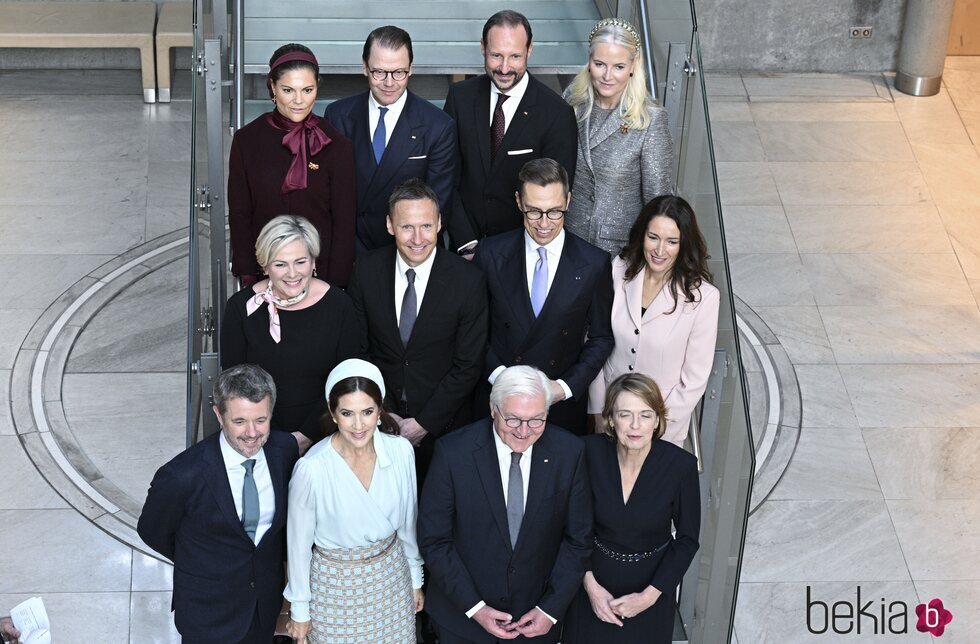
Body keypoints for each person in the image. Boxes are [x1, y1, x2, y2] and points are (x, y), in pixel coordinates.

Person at [418, 365, 593, 643]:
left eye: (537, 420)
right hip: (463, 620)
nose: (524, 431)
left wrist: (549, 609)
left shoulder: (569, 452)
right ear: (492, 408)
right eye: (513, 419)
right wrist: (475, 608)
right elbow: (434, 540)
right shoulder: (453, 453)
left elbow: (579, 540)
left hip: (535, 621)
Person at [137, 364, 300, 643]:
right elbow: (152, 531)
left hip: (264, 609)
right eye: (239, 422)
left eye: (261, 420)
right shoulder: (181, 476)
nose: (252, 433)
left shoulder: (284, 450)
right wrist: (203, 560)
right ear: (219, 415)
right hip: (207, 615)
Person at [346, 178, 488, 485]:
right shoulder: (365, 271)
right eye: (406, 227)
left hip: (446, 430)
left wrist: (424, 423)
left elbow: (468, 364)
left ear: (439, 223)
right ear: (389, 225)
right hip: (377, 425)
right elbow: (358, 351)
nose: (417, 238)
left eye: (425, 226)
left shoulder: (468, 280)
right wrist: (384, 413)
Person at [284, 359, 423, 644]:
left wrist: (415, 577)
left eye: (368, 412)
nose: (359, 425)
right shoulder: (311, 468)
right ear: (333, 413)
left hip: (392, 581)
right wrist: (299, 610)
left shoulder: (401, 452)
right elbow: (298, 548)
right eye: (347, 413)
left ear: (380, 411)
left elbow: (409, 523)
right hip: (335, 590)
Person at [473, 158, 613, 435]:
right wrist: (502, 378)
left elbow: (601, 338)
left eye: (554, 212)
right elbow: (472, 330)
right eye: (534, 212)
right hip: (498, 400)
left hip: (560, 407)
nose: (544, 224)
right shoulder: (490, 254)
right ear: (518, 202)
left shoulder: (594, 263)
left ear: (569, 200)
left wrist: (563, 388)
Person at [564, 374, 700, 644]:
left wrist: (649, 597)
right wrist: (590, 586)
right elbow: (572, 525)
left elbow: (686, 541)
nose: (636, 425)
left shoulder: (681, 466)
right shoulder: (585, 452)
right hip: (591, 580)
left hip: (650, 589)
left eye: (646, 415)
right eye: (625, 414)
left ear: (658, 420)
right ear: (611, 419)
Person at [221, 215, 359, 454]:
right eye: (280, 264)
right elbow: (236, 386)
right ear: (264, 266)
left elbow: (345, 382)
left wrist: (306, 435)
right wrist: (264, 437)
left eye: (300, 262)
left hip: (327, 436)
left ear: (314, 261)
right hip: (259, 439)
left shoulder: (339, 305)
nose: (292, 274)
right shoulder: (241, 308)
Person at [588, 195, 719, 446]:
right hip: (609, 420)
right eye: (653, 237)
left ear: (684, 244)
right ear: (642, 235)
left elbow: (694, 379)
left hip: (663, 430)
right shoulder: (618, 270)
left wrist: (654, 429)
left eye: (672, 242)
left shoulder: (705, 298)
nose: (660, 251)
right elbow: (596, 341)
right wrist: (598, 412)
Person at [444, 10, 578, 254]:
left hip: (521, 254)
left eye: (515, 56)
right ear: (483, 47)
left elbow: (554, 197)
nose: (504, 68)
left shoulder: (556, 113)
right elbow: (447, 176)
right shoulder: (460, 98)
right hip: (464, 249)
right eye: (496, 55)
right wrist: (465, 242)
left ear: (529, 50)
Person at [228, 43, 355, 287]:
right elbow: (240, 212)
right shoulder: (246, 141)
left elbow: (344, 223)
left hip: (319, 274)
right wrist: (247, 274)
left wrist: (336, 285)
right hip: (264, 270)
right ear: (272, 88)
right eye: (288, 90)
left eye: (307, 90)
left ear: (317, 87)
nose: (299, 101)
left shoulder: (337, 145)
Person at [325, 26, 456, 254]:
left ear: (411, 69)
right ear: (365, 67)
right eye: (379, 72)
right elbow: (330, 192)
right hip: (350, 248)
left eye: (398, 72)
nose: (389, 82)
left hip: (407, 251)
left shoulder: (438, 125)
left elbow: (437, 204)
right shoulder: (337, 115)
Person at [564, 18, 674, 254]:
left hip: (618, 250)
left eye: (619, 67)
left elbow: (658, 200)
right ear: (589, 62)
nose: (607, 75)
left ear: (633, 66)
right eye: (600, 64)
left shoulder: (650, 119)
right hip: (568, 240)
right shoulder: (572, 102)